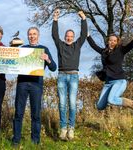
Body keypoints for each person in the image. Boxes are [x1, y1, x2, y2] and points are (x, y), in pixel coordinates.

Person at [87, 21, 133, 120]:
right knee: (100, 106)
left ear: (117, 42)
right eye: (110, 40)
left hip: (119, 80)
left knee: (112, 99)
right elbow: (93, 45)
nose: (112, 42)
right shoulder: (104, 52)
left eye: (114, 41)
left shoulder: (121, 50)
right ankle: (112, 115)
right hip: (108, 83)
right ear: (108, 41)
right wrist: (87, 34)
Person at [12, 27, 56, 145]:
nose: (32, 36)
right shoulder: (23, 49)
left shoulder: (44, 49)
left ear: (38, 36)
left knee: (36, 114)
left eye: (34, 34)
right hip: (22, 83)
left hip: (37, 85)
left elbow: (54, 68)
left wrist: (47, 59)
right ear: (27, 36)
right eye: (30, 34)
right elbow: (12, 60)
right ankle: (16, 141)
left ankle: (35, 142)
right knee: (18, 113)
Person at [52, 9, 87, 140]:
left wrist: (83, 19)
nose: (69, 37)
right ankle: (63, 128)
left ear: (73, 37)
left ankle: (71, 128)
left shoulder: (77, 45)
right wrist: (55, 19)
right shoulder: (60, 45)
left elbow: (83, 35)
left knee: (72, 103)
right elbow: (55, 35)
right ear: (65, 36)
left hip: (73, 76)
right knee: (62, 104)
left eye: (71, 36)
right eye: (67, 35)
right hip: (61, 75)